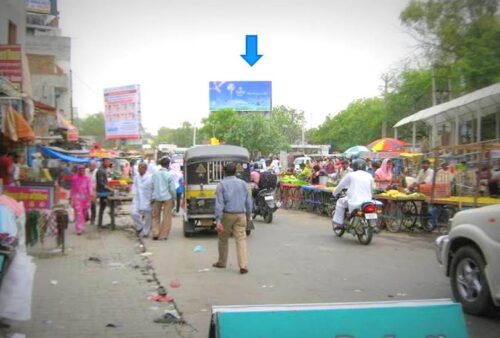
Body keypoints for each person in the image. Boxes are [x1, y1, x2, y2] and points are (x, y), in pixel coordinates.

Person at [212, 163, 252, 274]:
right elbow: (249, 201)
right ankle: (243, 265)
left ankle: (222, 262)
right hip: (241, 214)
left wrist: (218, 220)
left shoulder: (221, 185)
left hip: (227, 215)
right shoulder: (243, 184)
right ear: (235, 172)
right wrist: (249, 215)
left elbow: (219, 204)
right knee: (241, 239)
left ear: (224, 172)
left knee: (223, 239)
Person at [332, 159, 374, 229]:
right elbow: (373, 188)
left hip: (354, 201)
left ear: (354, 167)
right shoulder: (369, 175)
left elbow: (340, 186)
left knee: (339, 202)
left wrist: (334, 193)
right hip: (367, 201)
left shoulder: (350, 175)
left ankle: (339, 223)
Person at [151, 157, 176, 240]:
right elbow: (172, 189)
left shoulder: (155, 174)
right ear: (168, 165)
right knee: (166, 217)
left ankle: (155, 233)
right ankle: (163, 235)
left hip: (157, 197)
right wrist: (174, 198)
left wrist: (153, 196)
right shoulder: (169, 175)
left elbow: (152, 186)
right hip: (167, 197)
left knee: (155, 216)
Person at [132, 162, 153, 237]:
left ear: (145, 169)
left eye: (140, 168)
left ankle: (146, 232)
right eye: (138, 168)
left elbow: (153, 188)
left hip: (147, 199)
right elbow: (134, 186)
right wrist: (133, 194)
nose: (139, 170)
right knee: (134, 213)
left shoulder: (150, 177)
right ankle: (140, 226)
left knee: (148, 217)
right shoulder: (136, 177)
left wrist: (152, 197)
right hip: (137, 198)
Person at [70, 165, 93, 235]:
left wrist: (91, 196)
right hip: (77, 198)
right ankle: (79, 229)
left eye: (83, 170)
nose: (81, 171)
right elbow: (73, 188)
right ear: (78, 170)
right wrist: (71, 198)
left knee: (84, 213)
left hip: (86, 199)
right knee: (78, 213)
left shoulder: (88, 179)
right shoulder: (74, 178)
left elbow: (90, 188)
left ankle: (82, 226)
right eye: (80, 170)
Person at [96, 158, 113, 227]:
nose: (109, 164)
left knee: (103, 207)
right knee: (103, 207)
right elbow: (101, 182)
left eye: (109, 162)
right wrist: (108, 188)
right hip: (102, 192)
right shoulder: (101, 170)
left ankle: (100, 223)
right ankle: (100, 223)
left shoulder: (104, 170)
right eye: (107, 162)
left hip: (103, 191)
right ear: (104, 162)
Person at [86, 160, 98, 225]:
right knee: (85, 205)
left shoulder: (96, 172)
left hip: (93, 190)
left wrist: (94, 189)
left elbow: (97, 182)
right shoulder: (86, 171)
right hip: (86, 191)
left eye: (93, 165)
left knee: (93, 205)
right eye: (91, 165)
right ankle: (86, 217)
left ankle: (93, 219)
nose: (92, 167)